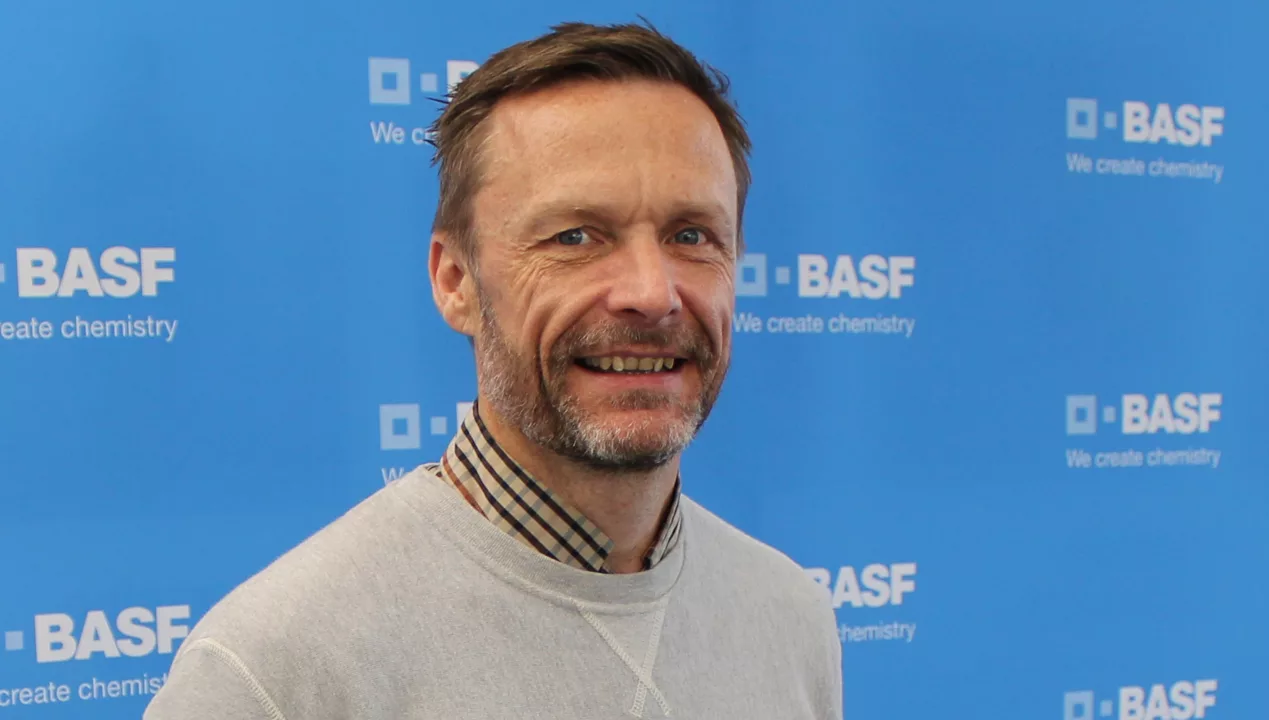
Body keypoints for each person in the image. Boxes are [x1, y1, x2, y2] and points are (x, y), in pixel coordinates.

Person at [145, 20, 842, 719]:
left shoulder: (790, 615)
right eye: (575, 236)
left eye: (691, 236)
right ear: (455, 282)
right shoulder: (274, 671)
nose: (651, 293)